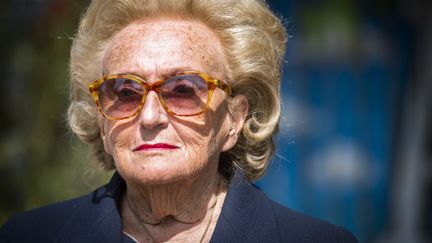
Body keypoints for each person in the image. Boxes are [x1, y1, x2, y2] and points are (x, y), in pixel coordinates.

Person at [0, 0, 358, 242]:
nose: (150, 116)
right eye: (125, 92)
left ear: (234, 119)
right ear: (101, 122)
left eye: (183, 89)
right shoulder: (29, 236)